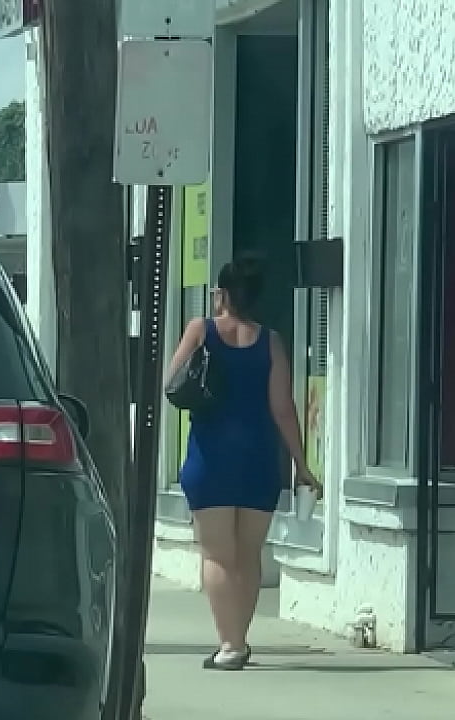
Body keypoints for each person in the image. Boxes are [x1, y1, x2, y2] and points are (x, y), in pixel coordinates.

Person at [166, 255, 321, 671]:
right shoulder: (270, 341)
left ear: (222, 293)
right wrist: (301, 465)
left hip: (209, 456)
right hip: (257, 459)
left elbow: (172, 381)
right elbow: (283, 408)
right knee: (249, 555)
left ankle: (229, 644)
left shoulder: (200, 330)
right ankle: (240, 639)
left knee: (217, 554)